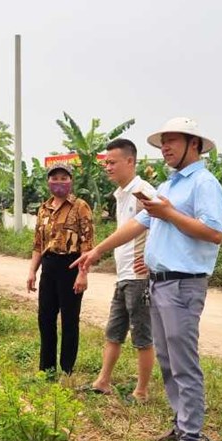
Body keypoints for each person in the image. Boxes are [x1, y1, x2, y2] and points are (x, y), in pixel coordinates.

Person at [72, 118, 222, 441]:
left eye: (172, 141)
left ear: (194, 144)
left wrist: (169, 213)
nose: (165, 147)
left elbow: (215, 233)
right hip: (158, 283)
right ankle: (181, 425)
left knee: (184, 361)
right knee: (168, 361)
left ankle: (192, 440)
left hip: (183, 283)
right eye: (162, 142)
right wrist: (96, 252)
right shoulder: (168, 185)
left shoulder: (204, 183)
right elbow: (137, 224)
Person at [85, 138, 157, 403]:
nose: (108, 167)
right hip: (124, 275)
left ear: (130, 161)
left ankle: (141, 391)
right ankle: (103, 381)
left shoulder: (143, 191)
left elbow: (164, 225)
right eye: (106, 163)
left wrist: (152, 260)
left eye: (112, 162)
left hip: (140, 279)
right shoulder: (122, 193)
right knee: (113, 332)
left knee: (142, 336)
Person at [27, 163, 94, 377]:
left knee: (69, 320)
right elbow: (38, 244)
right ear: (48, 181)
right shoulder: (43, 209)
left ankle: (67, 370)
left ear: (71, 181)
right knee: (45, 318)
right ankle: (46, 370)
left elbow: (87, 244)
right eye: (54, 178)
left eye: (63, 178)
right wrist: (32, 271)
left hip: (71, 266)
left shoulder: (80, 206)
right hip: (48, 266)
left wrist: (82, 274)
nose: (59, 182)